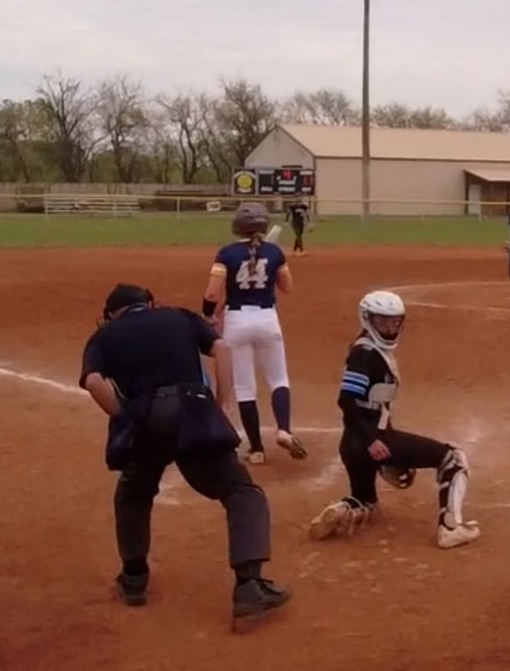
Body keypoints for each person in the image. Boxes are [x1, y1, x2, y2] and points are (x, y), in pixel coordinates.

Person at [79, 283, 289, 629]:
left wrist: (126, 417)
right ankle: (249, 587)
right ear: (148, 303)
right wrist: (219, 404)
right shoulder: (178, 316)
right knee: (240, 492)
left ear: (112, 313)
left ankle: (134, 579)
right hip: (194, 410)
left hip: (147, 418)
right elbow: (221, 348)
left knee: (134, 493)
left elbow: (93, 382)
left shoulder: (104, 336)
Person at [307, 290, 481, 549]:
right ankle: (450, 528)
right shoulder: (365, 354)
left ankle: (346, 508)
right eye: (383, 321)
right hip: (371, 440)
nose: (390, 327)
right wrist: (373, 442)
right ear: (367, 319)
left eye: (394, 321)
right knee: (452, 458)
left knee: (368, 504)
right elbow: (347, 400)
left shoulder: (371, 350)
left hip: (354, 445)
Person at [202, 203, 304, 465]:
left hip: (237, 320)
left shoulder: (226, 253)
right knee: (278, 378)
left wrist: (209, 314)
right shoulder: (273, 252)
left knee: (245, 387)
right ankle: (284, 430)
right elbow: (287, 287)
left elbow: (212, 293)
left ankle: (257, 450)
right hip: (267, 317)